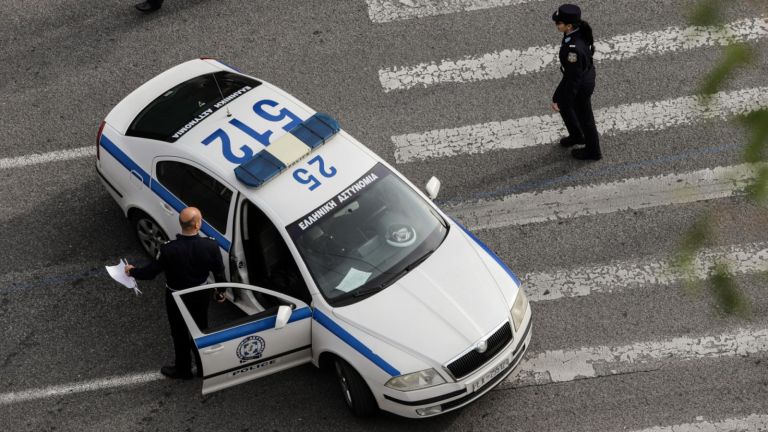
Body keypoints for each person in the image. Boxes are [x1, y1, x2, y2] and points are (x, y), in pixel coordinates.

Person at [125, 207, 226, 379]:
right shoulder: (211, 245)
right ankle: (204, 367)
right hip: (201, 294)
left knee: (179, 332)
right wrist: (220, 292)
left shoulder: (168, 249)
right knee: (201, 330)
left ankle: (183, 370)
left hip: (176, 297)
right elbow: (219, 272)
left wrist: (132, 271)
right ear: (197, 225)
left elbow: (150, 273)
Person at [551, 4, 602, 161]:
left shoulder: (573, 49)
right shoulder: (576, 31)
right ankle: (577, 136)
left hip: (580, 84)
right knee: (563, 104)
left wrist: (564, 99)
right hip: (578, 75)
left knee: (585, 118)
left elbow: (574, 79)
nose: (556, 25)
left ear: (569, 26)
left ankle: (593, 151)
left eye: (558, 23)